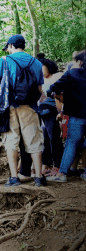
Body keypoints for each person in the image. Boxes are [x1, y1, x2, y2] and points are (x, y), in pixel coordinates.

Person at [0, 34, 46, 187]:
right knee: (34, 140)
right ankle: (38, 177)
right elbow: (40, 89)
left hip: (9, 108)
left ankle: (14, 178)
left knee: (11, 141)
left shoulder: (4, 61)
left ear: (10, 45)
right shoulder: (36, 63)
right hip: (29, 107)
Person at [46, 49, 86, 182]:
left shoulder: (72, 73)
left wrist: (55, 93)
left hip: (77, 115)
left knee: (71, 143)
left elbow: (53, 88)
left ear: (80, 62)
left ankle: (61, 174)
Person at [38, 58, 64, 176]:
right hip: (41, 112)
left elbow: (62, 94)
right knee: (46, 139)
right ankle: (46, 165)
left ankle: (57, 165)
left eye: (42, 68)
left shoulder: (57, 76)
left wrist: (61, 112)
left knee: (54, 138)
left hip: (54, 111)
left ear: (48, 67)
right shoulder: (39, 80)